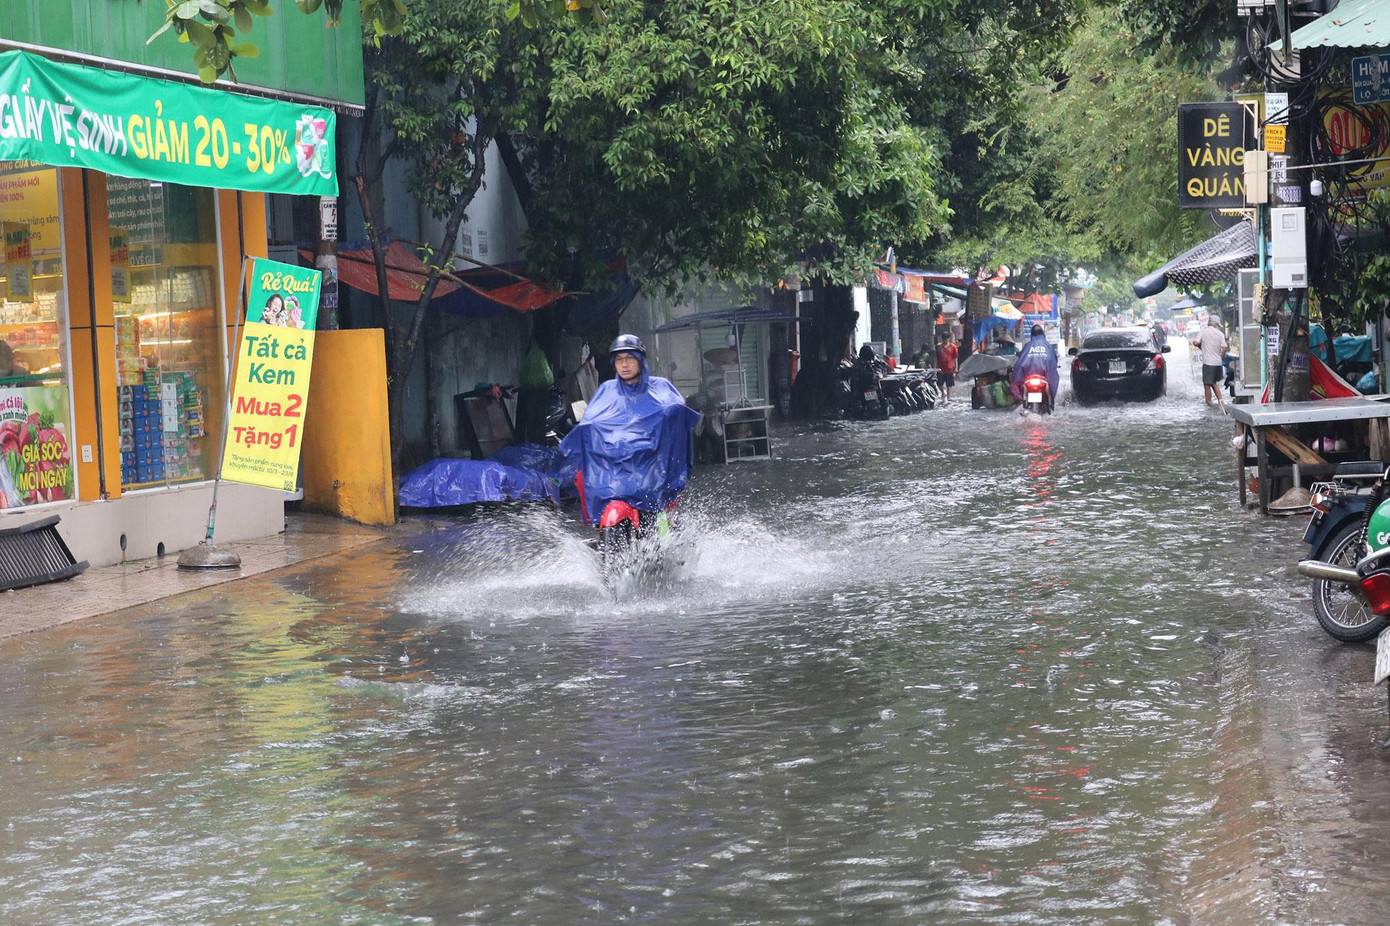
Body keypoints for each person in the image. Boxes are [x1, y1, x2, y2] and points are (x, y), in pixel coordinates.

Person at [559, 334, 701, 528]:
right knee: (584, 478)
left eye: (629, 358)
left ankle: (664, 530)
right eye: (619, 360)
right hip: (614, 471)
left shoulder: (660, 387)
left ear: (640, 361)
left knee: (662, 519)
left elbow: (675, 410)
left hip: (650, 468)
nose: (624, 364)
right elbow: (592, 420)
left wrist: (672, 416)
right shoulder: (607, 390)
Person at [1011, 323, 1059, 407]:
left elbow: (1020, 361)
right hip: (1042, 378)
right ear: (1042, 334)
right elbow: (1054, 360)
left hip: (1030, 378)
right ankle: (1051, 404)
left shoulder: (1027, 346)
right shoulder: (1048, 346)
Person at [1192, 317, 1229, 410]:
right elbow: (1224, 348)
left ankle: (1210, 402)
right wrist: (1221, 356)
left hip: (1208, 363)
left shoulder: (1203, 332)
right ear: (1216, 324)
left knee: (1208, 383)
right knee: (1213, 382)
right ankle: (1219, 401)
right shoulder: (1220, 334)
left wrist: (1201, 346)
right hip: (1218, 363)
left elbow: (1195, 342)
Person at [936, 333, 958, 399]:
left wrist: (956, 368)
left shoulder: (953, 347)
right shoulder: (939, 346)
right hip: (940, 368)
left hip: (949, 368)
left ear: (949, 339)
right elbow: (936, 357)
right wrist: (935, 368)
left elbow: (955, 358)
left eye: (946, 339)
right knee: (939, 383)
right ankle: (943, 392)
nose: (945, 340)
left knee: (949, 384)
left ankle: (949, 397)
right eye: (943, 339)